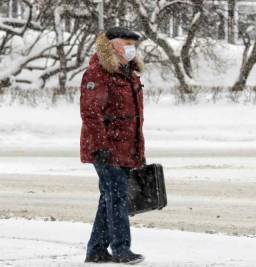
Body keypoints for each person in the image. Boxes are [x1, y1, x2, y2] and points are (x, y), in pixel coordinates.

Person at [79, 26, 146, 264]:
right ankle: (121, 249)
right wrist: (100, 146)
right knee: (116, 197)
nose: (131, 48)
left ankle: (96, 250)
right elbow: (91, 113)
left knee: (109, 197)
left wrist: (139, 152)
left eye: (133, 44)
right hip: (106, 149)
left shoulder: (129, 74)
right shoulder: (98, 74)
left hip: (125, 148)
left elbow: (135, 118)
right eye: (126, 43)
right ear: (111, 45)